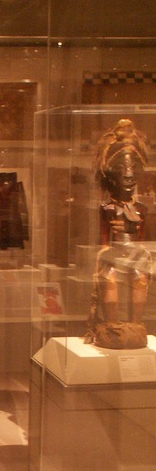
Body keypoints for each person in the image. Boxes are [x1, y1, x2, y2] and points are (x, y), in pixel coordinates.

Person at [87, 118, 153, 349]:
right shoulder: (107, 208)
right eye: (122, 169)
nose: (128, 174)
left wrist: (131, 230)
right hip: (113, 254)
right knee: (110, 277)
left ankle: (136, 324)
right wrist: (108, 251)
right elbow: (104, 241)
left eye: (133, 168)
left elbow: (143, 239)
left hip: (134, 254)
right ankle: (112, 325)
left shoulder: (141, 209)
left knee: (140, 276)